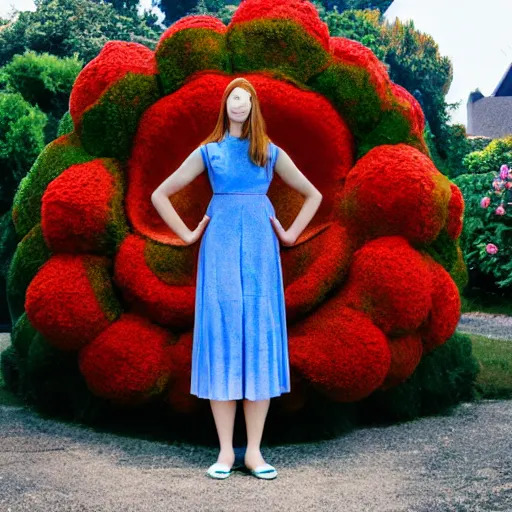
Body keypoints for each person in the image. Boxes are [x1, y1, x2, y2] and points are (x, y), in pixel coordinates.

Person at [151, 77, 322, 480]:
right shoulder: (210, 153)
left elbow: (313, 194)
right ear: (225, 105)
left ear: (253, 106)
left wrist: (291, 233)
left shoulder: (270, 153)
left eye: (245, 99)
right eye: (233, 98)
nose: (239, 105)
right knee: (225, 339)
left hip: (262, 254)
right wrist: (189, 234)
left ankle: (255, 453)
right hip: (220, 251)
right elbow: (160, 193)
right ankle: (226, 452)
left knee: (258, 339)